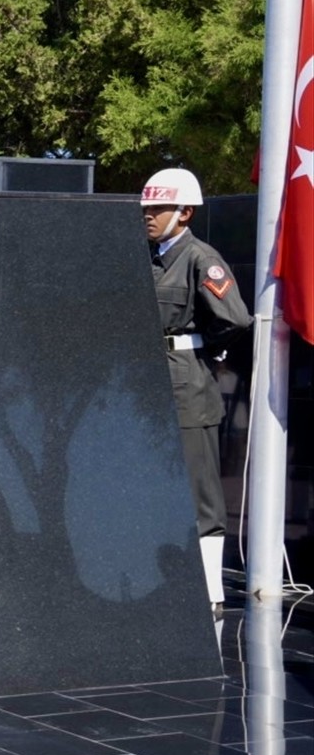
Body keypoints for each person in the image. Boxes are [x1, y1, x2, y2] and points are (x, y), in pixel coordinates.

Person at [141, 168, 252, 610]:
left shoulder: (201, 258)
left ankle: (208, 589)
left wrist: (207, 350)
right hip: (150, 379)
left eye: (158, 208)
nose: (148, 216)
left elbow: (236, 318)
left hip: (187, 379)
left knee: (198, 486)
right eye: (147, 208)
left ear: (185, 212)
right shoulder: (148, 258)